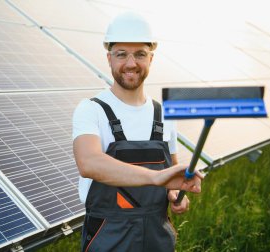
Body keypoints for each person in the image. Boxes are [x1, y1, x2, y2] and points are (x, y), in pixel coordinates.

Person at [72, 11, 203, 252]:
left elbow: (169, 174)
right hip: (107, 236)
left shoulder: (163, 115)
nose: (131, 63)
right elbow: (88, 162)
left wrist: (175, 192)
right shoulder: (91, 110)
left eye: (140, 54)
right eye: (122, 54)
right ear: (109, 58)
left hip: (158, 237)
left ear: (151, 59)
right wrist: (154, 178)